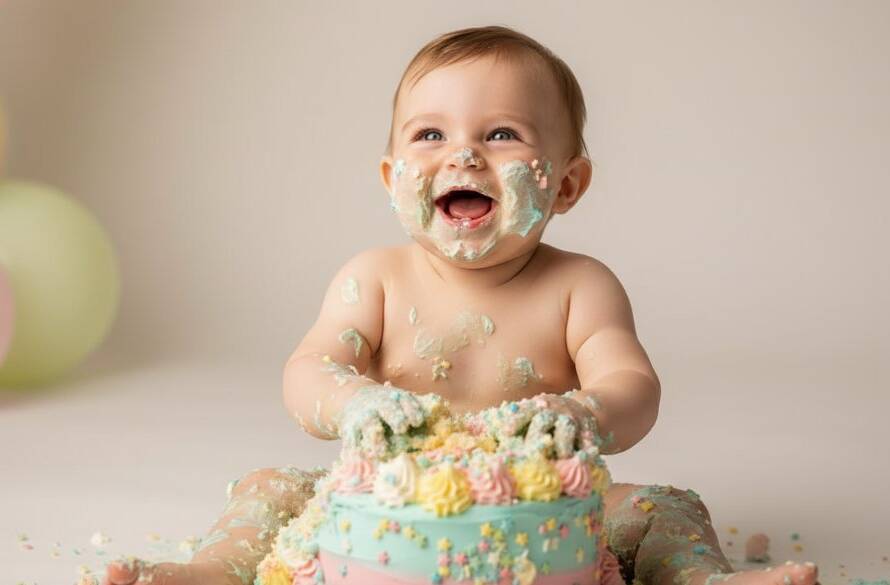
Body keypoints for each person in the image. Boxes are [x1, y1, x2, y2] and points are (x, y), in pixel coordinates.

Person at [103, 25, 820, 585]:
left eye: (502, 134)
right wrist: (352, 402)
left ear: (567, 185)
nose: (464, 155)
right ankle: (206, 572)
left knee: (664, 504)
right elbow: (309, 368)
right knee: (270, 487)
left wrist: (584, 413)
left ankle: (701, 575)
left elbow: (633, 385)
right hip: (384, 498)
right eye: (430, 134)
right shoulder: (373, 278)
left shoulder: (581, 287)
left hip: (540, 501)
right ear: (392, 177)